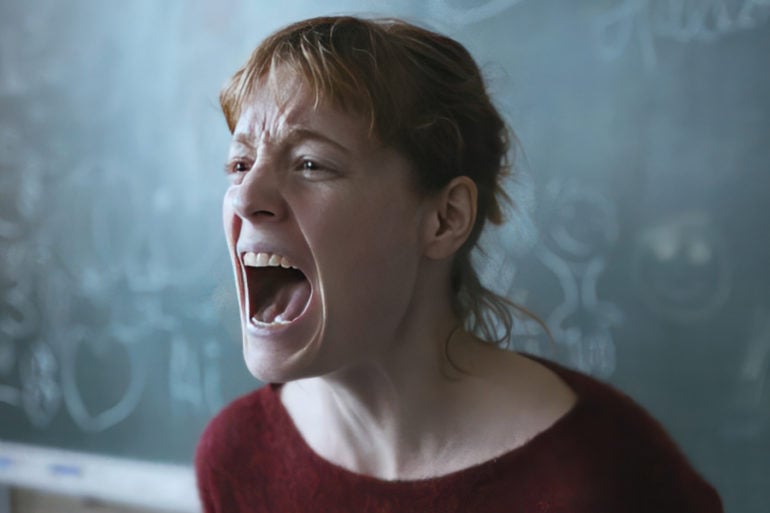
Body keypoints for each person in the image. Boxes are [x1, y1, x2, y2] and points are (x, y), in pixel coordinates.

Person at [195, 15, 722, 512]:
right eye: (239, 164)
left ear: (445, 219)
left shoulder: (608, 473)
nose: (244, 196)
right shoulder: (236, 455)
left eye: (310, 164)